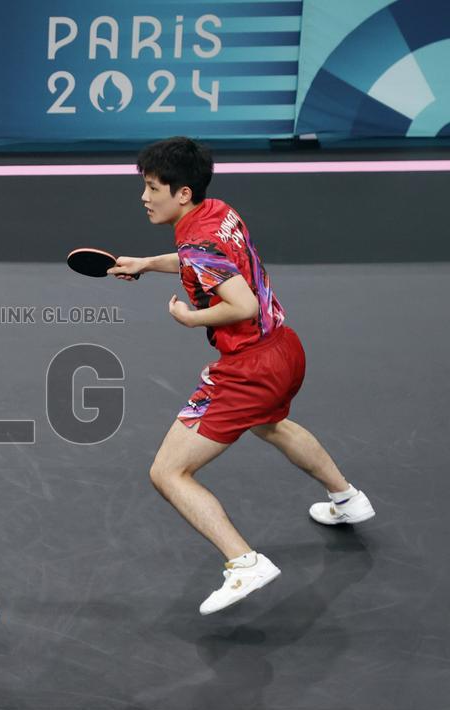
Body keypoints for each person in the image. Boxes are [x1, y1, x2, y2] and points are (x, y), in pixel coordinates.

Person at [108, 137, 374, 615]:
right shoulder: (218, 212)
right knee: (269, 423)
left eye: (152, 188)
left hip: (249, 367)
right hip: (285, 348)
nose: (144, 197)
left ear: (182, 193)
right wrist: (148, 264)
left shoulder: (196, 241)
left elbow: (240, 303)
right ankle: (347, 498)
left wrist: (192, 318)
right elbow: (207, 262)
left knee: (167, 472)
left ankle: (242, 561)